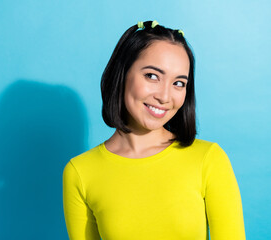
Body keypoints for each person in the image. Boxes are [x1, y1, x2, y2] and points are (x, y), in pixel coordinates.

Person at [62, 20, 246, 240]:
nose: (165, 96)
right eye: (152, 76)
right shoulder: (80, 173)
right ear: (121, 75)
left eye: (179, 83)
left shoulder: (209, 160)